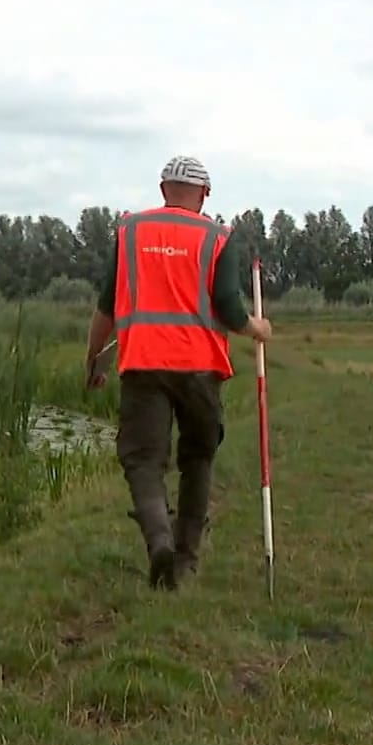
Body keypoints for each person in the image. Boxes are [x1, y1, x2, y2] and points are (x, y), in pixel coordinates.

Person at [85, 155, 273, 589]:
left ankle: (158, 541)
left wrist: (95, 358)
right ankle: (185, 558)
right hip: (200, 368)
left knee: (143, 460)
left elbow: (107, 305)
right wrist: (256, 327)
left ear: (162, 188)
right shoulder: (218, 237)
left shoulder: (130, 231)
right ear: (205, 194)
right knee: (198, 457)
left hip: (143, 364)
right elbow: (228, 307)